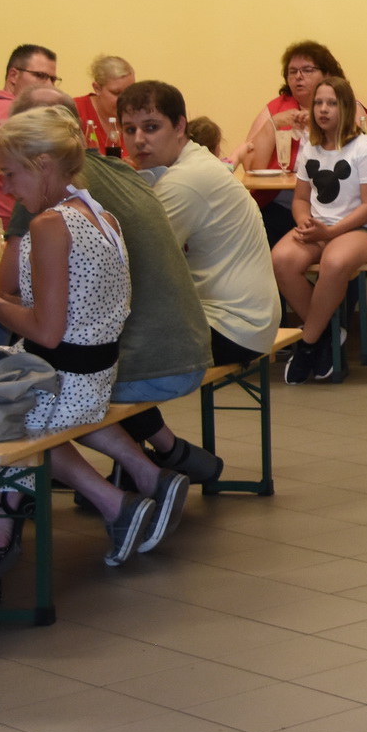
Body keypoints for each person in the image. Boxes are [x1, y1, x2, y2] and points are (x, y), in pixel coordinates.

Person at [0, 107, 181, 595]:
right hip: (92, 379)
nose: (7, 188)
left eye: (11, 174)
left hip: (60, 386)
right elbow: (62, 314)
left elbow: (46, 333)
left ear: (43, 165)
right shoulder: (99, 215)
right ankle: (2, 523)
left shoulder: (51, 225)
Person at [7, 86, 211, 512]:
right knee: (68, 380)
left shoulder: (46, 203)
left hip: (141, 363)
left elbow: (11, 288)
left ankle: (109, 501)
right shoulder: (113, 176)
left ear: (38, 156)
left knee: (3, 404)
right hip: (182, 346)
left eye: (9, 173)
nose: (7, 186)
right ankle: (156, 460)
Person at [119, 80, 280, 481]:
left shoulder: (185, 181)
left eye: (151, 127)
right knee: (104, 354)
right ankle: (160, 455)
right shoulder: (190, 166)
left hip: (232, 326)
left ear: (180, 126)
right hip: (241, 317)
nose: (138, 140)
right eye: (129, 129)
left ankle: (152, 462)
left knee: (102, 364)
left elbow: (135, 265)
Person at [271, 75, 367, 385]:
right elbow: (300, 199)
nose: (323, 109)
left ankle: (309, 344)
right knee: (281, 259)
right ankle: (328, 335)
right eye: (319, 103)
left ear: (346, 108)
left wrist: (330, 233)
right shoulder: (309, 147)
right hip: (320, 227)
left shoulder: (366, 149)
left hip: (364, 229)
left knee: (334, 262)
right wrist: (303, 221)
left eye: (332, 103)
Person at [237, 40, 367, 246]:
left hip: (339, 211)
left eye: (307, 70)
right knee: (250, 230)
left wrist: (318, 124)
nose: (298, 77)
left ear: (327, 74)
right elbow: (251, 166)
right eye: (292, 71)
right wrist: (275, 123)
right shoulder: (276, 108)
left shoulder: (348, 107)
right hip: (284, 206)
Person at [0, 44, 59, 225]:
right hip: (5, 232)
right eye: (40, 76)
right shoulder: (15, 116)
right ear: (13, 75)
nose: (49, 86)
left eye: (53, 79)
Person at [73, 55, 135, 158]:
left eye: (130, 92)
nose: (126, 100)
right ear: (97, 88)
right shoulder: (75, 110)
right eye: (116, 93)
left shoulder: (139, 113)